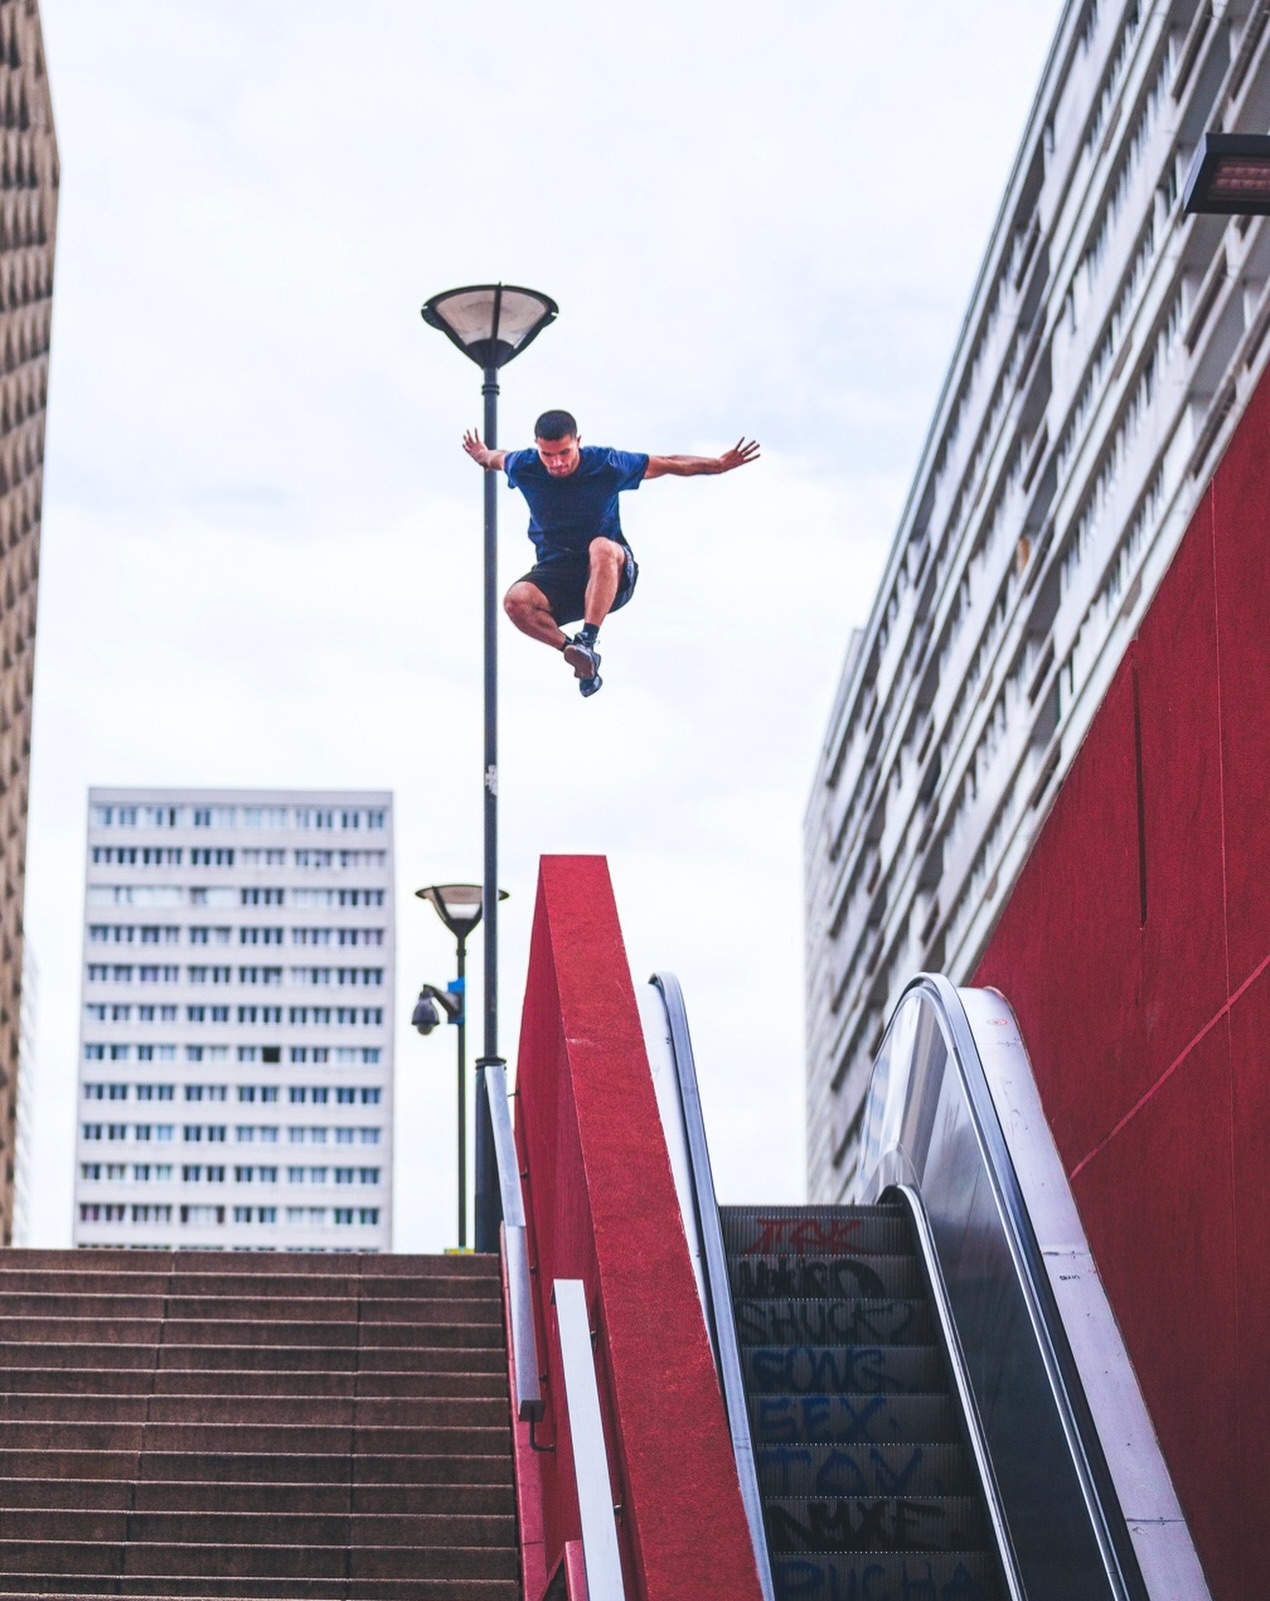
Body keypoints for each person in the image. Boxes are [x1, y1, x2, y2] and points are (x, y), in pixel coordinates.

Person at [462, 409, 759, 696]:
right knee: (516, 601)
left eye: (564, 453)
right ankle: (578, 654)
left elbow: (669, 463)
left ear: (578, 441)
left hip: (612, 572)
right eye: (547, 455)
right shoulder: (523, 465)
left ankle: (588, 637)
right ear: (536, 448)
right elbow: (494, 458)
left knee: (600, 545)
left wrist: (717, 464)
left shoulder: (607, 464)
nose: (556, 464)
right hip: (559, 572)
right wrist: (479, 453)